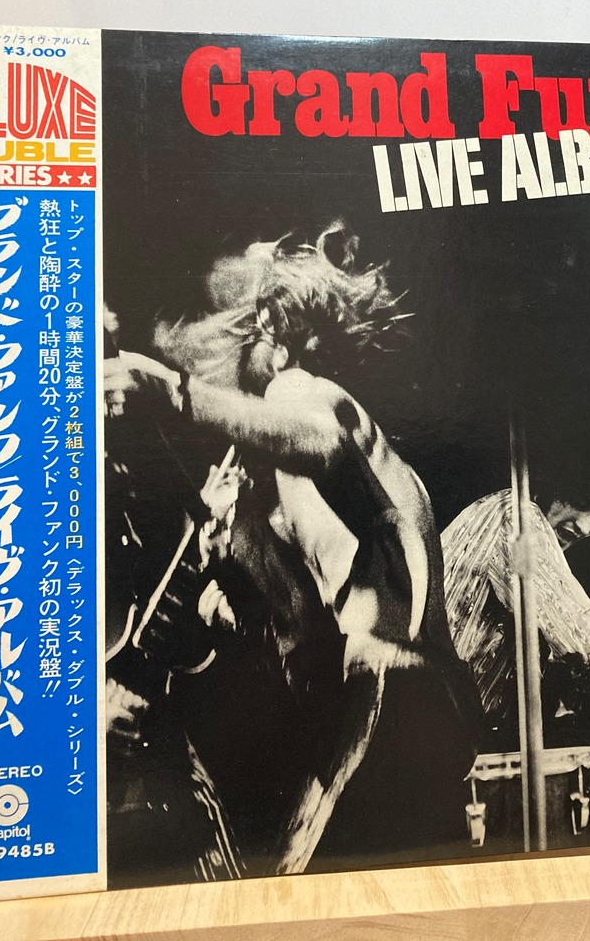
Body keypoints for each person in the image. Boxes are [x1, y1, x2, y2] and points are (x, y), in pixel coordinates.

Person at [104, 224, 482, 875]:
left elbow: (319, 442)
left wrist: (171, 392)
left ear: (272, 332)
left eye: (215, 326)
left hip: (395, 687)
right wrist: (238, 561)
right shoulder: (282, 487)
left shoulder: (300, 389)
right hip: (398, 705)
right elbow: (306, 635)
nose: (195, 350)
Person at [442, 482, 590, 751]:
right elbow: (578, 636)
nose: (585, 527)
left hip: (453, 730)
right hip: (435, 733)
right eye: (582, 504)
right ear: (549, 486)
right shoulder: (516, 516)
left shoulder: (498, 509)